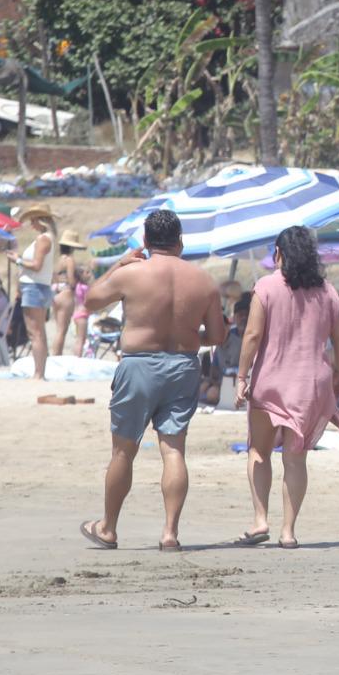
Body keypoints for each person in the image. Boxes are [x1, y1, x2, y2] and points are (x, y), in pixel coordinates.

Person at [78, 210, 226, 552]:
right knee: (174, 450)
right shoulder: (203, 280)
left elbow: (90, 301)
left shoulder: (133, 274)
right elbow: (216, 335)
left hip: (138, 366)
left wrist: (119, 265)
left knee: (123, 451)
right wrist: (186, 336)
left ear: (145, 241)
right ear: (180, 241)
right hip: (183, 367)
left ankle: (108, 528)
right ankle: (170, 533)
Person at [235, 226, 339, 549]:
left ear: (278, 254)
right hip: (311, 383)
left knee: (259, 451)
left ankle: (261, 520)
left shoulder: (266, 287)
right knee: (295, 457)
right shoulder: (327, 292)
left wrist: (241, 377)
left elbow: (252, 336)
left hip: (271, 381)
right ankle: (288, 532)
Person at [15, 203, 57, 380]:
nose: (31, 224)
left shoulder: (43, 239)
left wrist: (17, 260)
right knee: (38, 332)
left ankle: (38, 373)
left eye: (33, 220)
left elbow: (36, 265)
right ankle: (40, 372)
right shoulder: (47, 238)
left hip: (34, 286)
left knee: (35, 332)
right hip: (38, 286)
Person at [51, 229, 90, 357]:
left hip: (56, 293)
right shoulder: (70, 260)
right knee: (62, 330)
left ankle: (55, 355)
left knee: (58, 329)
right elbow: (71, 280)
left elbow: (54, 277)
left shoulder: (58, 260)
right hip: (66, 294)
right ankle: (57, 357)